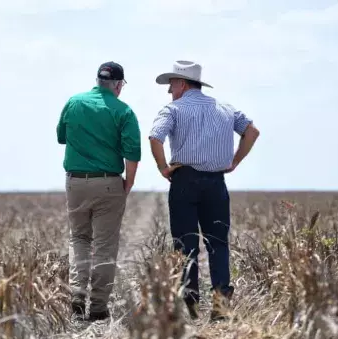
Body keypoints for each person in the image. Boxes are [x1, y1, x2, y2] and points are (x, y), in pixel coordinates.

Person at [148, 60, 260, 321]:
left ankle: (191, 305)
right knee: (218, 244)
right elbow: (252, 131)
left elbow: (155, 137)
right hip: (216, 183)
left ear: (183, 84)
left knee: (185, 244)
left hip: (184, 181)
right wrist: (234, 161)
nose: (169, 91)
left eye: (171, 84)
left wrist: (164, 168)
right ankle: (221, 306)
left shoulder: (173, 109)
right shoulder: (225, 108)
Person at [56, 61, 141, 321]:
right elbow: (133, 152)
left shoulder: (74, 102)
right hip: (108, 183)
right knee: (105, 244)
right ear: (117, 85)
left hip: (75, 182)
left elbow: (61, 136)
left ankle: (77, 295)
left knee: (79, 239)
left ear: (97, 80)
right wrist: (129, 182)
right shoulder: (123, 110)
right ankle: (99, 307)